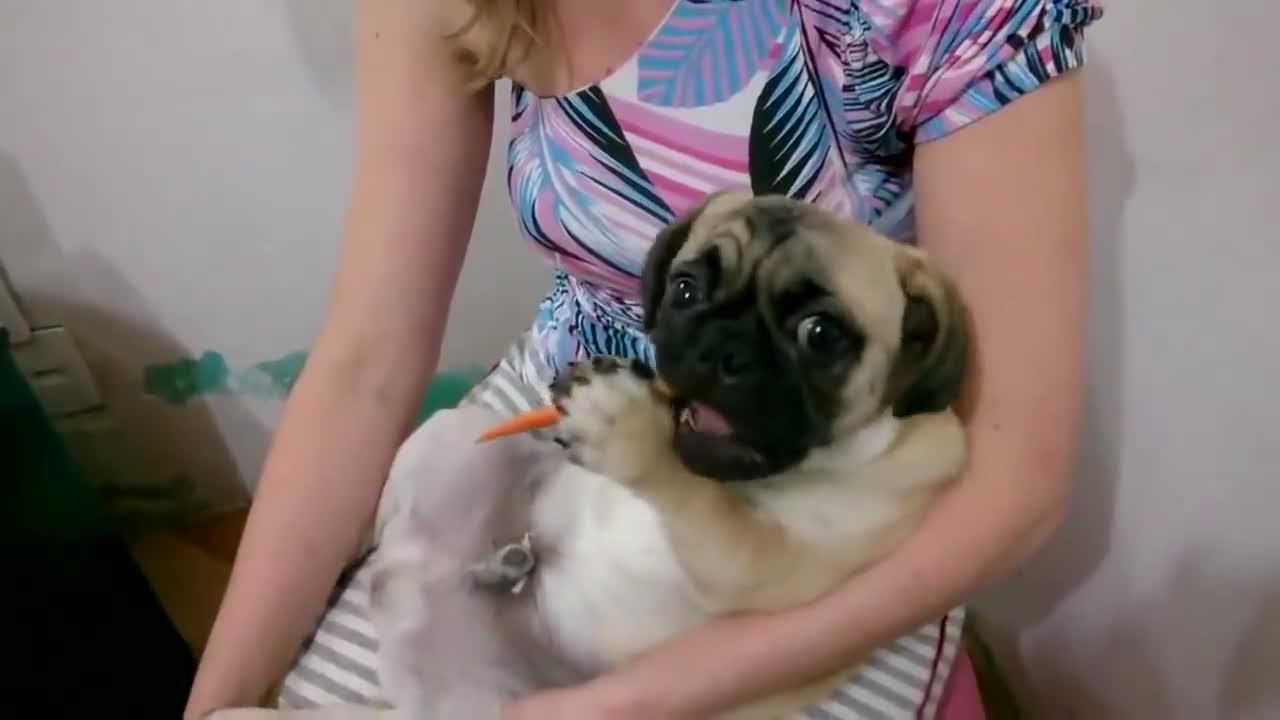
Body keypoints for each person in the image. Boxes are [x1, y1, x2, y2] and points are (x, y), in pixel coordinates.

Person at [185, 0, 1102, 717]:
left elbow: (1015, 474)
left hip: (823, 488)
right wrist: (214, 700)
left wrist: (633, 703)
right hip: (573, 407)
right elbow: (366, 364)